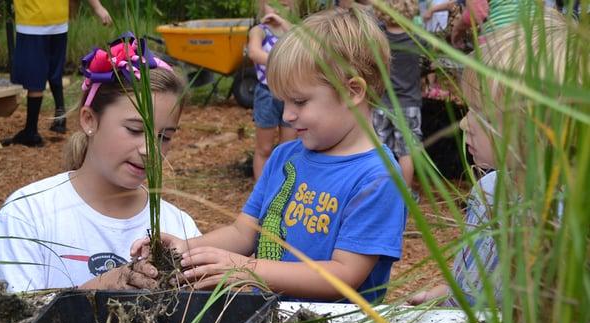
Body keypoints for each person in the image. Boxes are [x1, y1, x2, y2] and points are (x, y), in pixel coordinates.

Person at [132, 7, 407, 303]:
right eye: (284, 102)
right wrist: (186, 248)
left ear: (353, 91)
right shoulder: (284, 157)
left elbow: (344, 275)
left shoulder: (377, 178)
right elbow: (243, 232)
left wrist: (247, 268)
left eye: (300, 101)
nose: (287, 116)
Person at [0, 33, 200, 292]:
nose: (150, 150)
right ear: (89, 120)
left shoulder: (178, 226)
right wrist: (99, 289)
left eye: (164, 137)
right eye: (135, 129)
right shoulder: (28, 215)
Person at [409, 8, 572, 306]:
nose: (463, 124)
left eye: (481, 115)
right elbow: (475, 281)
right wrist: (444, 294)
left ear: (534, 130)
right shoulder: (488, 190)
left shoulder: (564, 222)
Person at [0, 0, 112, 148]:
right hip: (58, 21)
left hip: (33, 20)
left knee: (35, 77)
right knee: (55, 70)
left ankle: (31, 131)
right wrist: (98, 7)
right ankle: (60, 118)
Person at [372, 0, 423, 189]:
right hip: (408, 103)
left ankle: (379, 189)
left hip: (381, 102)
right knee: (406, 152)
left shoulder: (379, 38)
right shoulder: (417, 38)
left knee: (379, 148)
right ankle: (405, 194)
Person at [248, 0, 297, 180]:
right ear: (262, 5)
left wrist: (284, 23)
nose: (277, 10)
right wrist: (280, 61)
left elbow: (304, 44)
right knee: (264, 148)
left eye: (283, 5)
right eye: (272, 4)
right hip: (267, 94)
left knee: (288, 147)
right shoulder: (259, 30)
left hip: (290, 95)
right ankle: (260, 190)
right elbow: (254, 52)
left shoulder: (291, 30)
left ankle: (283, 186)